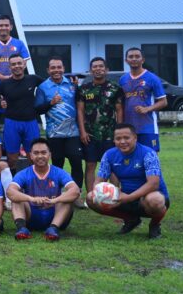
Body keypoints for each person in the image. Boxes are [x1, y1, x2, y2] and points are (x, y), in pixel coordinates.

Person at [87, 123, 170, 240]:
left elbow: (153, 184)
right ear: (114, 140)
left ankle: (155, 225)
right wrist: (101, 193)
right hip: (125, 197)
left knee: (155, 200)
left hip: (149, 197)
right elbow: (99, 181)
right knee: (91, 197)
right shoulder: (109, 155)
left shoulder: (148, 153)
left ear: (135, 138)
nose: (122, 141)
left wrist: (128, 197)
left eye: (126, 138)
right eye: (118, 138)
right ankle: (131, 220)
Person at [6, 138, 80, 242]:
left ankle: (53, 229)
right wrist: (31, 199)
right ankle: (22, 229)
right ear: (31, 155)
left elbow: (75, 191)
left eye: (44, 152)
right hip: (31, 216)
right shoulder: (23, 173)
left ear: (49, 154)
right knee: (17, 198)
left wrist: (55, 200)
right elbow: (10, 191)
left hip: (54, 215)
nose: (40, 156)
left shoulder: (59, 172)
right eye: (36, 153)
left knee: (66, 198)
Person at [35, 57, 85, 205]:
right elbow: (37, 109)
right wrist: (50, 103)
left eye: (59, 67)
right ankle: (56, 194)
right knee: (57, 163)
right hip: (54, 133)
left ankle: (76, 195)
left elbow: (80, 103)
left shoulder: (72, 83)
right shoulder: (43, 87)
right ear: (48, 70)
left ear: (63, 68)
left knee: (76, 161)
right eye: (53, 68)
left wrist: (78, 87)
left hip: (73, 132)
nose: (56, 70)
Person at [76, 57, 123, 196]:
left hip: (110, 134)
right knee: (90, 165)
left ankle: (114, 195)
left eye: (101, 66)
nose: (98, 69)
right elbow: (80, 110)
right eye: (95, 66)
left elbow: (119, 110)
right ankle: (91, 196)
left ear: (106, 69)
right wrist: (82, 131)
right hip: (89, 135)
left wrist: (118, 134)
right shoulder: (84, 89)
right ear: (91, 70)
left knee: (112, 166)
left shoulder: (115, 88)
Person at [0, 54, 45, 169]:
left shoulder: (33, 79)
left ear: (24, 65)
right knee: (12, 158)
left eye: (19, 63)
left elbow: (49, 86)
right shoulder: (4, 84)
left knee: (33, 156)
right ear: (9, 67)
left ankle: (33, 183)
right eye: (13, 64)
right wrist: (0, 105)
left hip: (30, 122)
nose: (17, 66)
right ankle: (12, 184)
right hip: (12, 123)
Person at [0, 15, 30, 128]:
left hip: (16, 83)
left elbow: (24, 62)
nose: (3, 27)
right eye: (1, 25)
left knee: (15, 112)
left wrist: (14, 76)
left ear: (11, 27)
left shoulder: (19, 44)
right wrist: (2, 77)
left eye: (6, 25)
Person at [119, 47, 167, 151]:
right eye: (131, 57)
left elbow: (163, 102)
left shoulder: (152, 78)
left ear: (143, 60)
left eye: (137, 56)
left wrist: (147, 109)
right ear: (126, 60)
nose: (134, 59)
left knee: (150, 157)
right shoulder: (123, 79)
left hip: (147, 127)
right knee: (131, 159)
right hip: (128, 128)